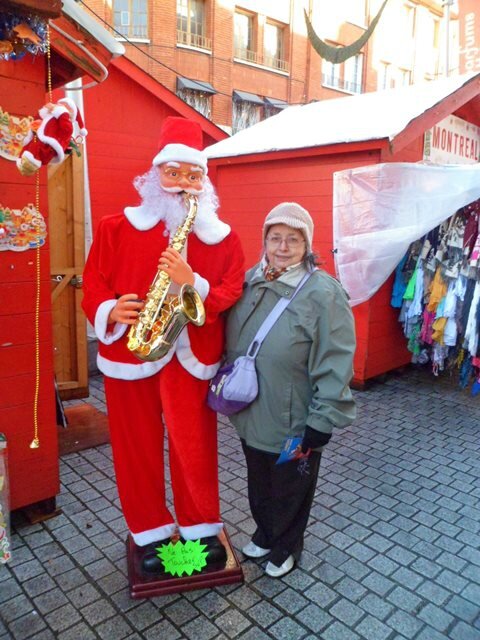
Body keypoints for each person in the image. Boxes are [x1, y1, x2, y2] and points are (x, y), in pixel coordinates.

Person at [82, 116, 245, 575]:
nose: (181, 186)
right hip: (130, 353)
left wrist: (192, 281)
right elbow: (93, 284)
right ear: (155, 176)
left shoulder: (223, 237)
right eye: (173, 174)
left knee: (194, 445)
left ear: (204, 183)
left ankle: (200, 528)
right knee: (135, 446)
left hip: (191, 356)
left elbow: (231, 288)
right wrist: (109, 311)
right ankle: (150, 532)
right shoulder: (116, 228)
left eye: (192, 176)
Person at [226, 202, 356, 578]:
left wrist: (324, 417)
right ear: (264, 240)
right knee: (258, 480)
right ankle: (265, 534)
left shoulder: (322, 292)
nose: (283, 246)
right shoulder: (252, 280)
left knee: (290, 488)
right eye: (275, 237)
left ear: (307, 244)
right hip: (252, 411)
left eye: (293, 239)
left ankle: (287, 547)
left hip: (295, 419)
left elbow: (336, 357)